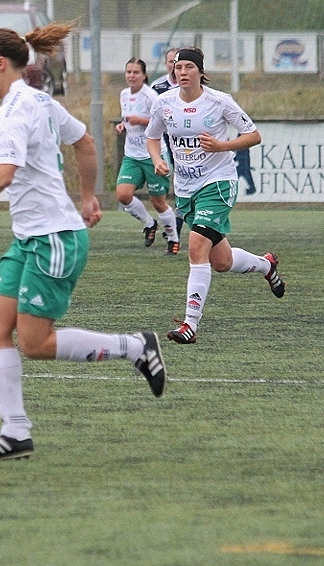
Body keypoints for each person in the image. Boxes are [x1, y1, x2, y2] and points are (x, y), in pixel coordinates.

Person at [0, 23, 166, 460]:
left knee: (35, 343)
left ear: (1, 64)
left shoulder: (12, 112)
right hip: (30, 238)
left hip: (53, 239)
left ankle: (135, 347)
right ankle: (15, 432)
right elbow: (85, 143)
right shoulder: (41, 100)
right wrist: (88, 196)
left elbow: (5, 174)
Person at [145, 47, 285, 345]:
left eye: (188, 67)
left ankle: (190, 324)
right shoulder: (163, 103)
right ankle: (266, 265)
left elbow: (253, 135)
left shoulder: (219, 101)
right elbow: (152, 137)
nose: (182, 72)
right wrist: (157, 159)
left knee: (196, 246)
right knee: (221, 261)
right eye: (178, 67)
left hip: (218, 183)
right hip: (186, 189)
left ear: (200, 71)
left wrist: (222, 146)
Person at [116, 58, 179, 253]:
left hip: (153, 156)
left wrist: (140, 120)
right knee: (123, 195)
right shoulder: (124, 94)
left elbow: (163, 122)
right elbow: (128, 119)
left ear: (144, 75)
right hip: (132, 155)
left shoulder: (151, 96)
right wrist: (123, 125)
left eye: (136, 72)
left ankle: (173, 239)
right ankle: (149, 223)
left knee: (158, 202)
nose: (131, 76)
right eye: (128, 72)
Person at [150, 47, 185, 244]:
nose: (174, 66)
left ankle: (177, 223)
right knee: (171, 182)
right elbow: (151, 117)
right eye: (171, 62)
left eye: (177, 62)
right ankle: (173, 222)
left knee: (183, 182)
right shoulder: (157, 87)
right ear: (166, 64)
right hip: (164, 143)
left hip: (185, 143)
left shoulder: (191, 86)